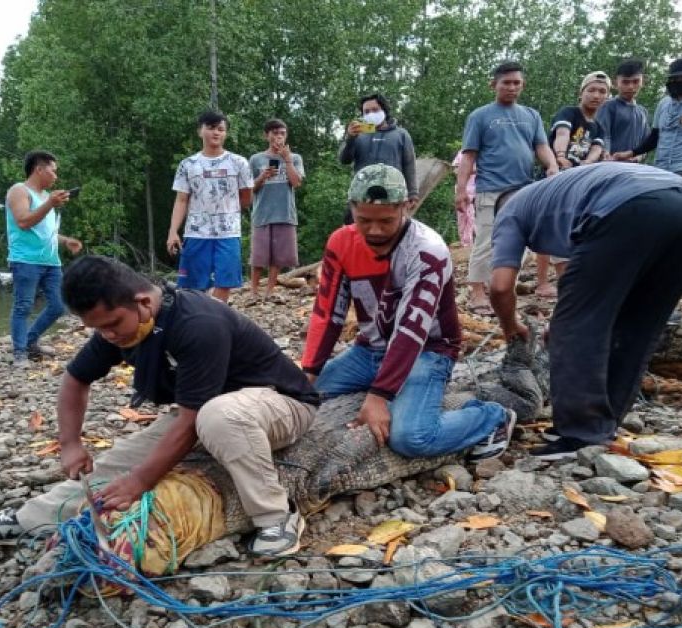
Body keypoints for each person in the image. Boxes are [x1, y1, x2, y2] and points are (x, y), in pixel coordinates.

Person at [0, 255, 320, 558]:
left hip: (278, 404)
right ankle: (26, 519)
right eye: (98, 329)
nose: (109, 336)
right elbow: (75, 379)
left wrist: (141, 481)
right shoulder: (119, 327)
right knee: (117, 462)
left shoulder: (198, 323)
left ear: (144, 302)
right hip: (208, 412)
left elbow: (192, 421)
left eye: (113, 325)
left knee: (216, 417)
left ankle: (276, 517)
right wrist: (70, 443)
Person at [485, 162, 682, 460]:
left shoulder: (510, 209)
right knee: (637, 326)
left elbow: (501, 286)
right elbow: (588, 280)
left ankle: (580, 434)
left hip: (630, 207)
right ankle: (601, 425)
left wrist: (511, 327)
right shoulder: (557, 196)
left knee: (574, 327)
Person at [301, 165, 516, 461]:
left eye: (386, 221)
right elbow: (327, 314)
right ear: (352, 209)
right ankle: (387, 389)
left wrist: (379, 395)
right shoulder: (340, 243)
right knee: (304, 398)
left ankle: (492, 416)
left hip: (428, 351)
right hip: (370, 350)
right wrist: (309, 372)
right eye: (364, 220)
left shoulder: (427, 250)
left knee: (410, 438)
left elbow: (411, 330)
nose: (375, 231)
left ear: (407, 206)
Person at [455, 62, 559, 315]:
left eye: (517, 83)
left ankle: (499, 284)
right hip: (490, 187)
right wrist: (460, 191)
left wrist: (552, 166)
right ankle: (477, 293)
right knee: (486, 240)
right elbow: (468, 156)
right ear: (494, 85)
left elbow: (541, 147)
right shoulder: (480, 116)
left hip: (523, 188)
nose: (512, 87)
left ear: (523, 85)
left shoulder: (531, 115)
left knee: (522, 239)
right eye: (506, 83)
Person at [534, 71, 611, 297]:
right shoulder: (569, 113)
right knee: (548, 228)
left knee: (570, 228)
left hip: (578, 182)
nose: (596, 95)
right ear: (582, 92)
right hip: (555, 176)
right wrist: (560, 155)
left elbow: (596, 148)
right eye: (592, 90)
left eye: (602, 91)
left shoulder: (598, 127)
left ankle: (565, 280)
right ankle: (541, 282)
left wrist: (587, 164)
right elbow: (562, 133)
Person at [6, 150, 83, 366]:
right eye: (53, 171)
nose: (55, 176)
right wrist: (50, 203)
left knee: (59, 306)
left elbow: (44, 231)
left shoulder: (45, 198)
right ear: (39, 169)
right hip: (25, 260)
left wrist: (66, 240)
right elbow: (23, 221)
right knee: (24, 305)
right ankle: (20, 352)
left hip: (51, 262)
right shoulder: (19, 191)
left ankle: (31, 341)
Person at [167, 110, 252, 302]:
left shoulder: (239, 163)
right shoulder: (188, 164)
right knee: (193, 284)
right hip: (197, 232)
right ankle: (197, 319)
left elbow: (247, 197)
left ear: (226, 133)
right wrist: (173, 231)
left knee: (225, 282)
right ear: (200, 131)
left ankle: (216, 319)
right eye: (211, 128)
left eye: (221, 129)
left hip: (228, 233)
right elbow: (181, 200)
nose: (216, 133)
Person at [613, 57, 682, 192]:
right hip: (660, 168)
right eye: (675, 78)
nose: (679, 81)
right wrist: (629, 153)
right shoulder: (664, 103)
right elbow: (654, 138)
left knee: (680, 209)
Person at [248, 119, 305, 299]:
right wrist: (262, 177)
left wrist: (287, 160)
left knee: (278, 257)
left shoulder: (295, 158)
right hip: (262, 214)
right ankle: (253, 291)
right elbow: (249, 189)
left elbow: (296, 183)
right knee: (258, 257)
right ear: (266, 135)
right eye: (274, 133)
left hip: (285, 213)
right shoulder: (256, 159)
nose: (278, 137)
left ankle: (269, 292)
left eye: (282, 133)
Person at [339, 93, 418, 219]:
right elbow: (344, 160)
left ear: (384, 110)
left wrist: (413, 193)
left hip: (392, 196)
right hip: (362, 196)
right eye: (366, 112)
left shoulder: (401, 134)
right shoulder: (357, 134)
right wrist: (350, 138)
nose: (371, 114)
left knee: (390, 232)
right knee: (356, 233)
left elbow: (409, 164)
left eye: (375, 110)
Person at [595, 59, 650, 161]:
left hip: (635, 169)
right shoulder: (608, 106)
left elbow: (646, 144)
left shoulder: (643, 112)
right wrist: (606, 154)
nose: (630, 87)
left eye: (635, 81)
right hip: (610, 166)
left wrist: (637, 157)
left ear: (643, 82)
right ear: (616, 83)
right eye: (625, 82)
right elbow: (603, 135)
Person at [450, 149, 476, 247]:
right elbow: (455, 169)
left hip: (473, 190)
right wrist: (466, 170)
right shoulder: (461, 152)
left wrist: (466, 170)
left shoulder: (478, 153)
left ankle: (468, 242)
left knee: (470, 216)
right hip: (461, 190)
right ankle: (464, 241)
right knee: (462, 216)